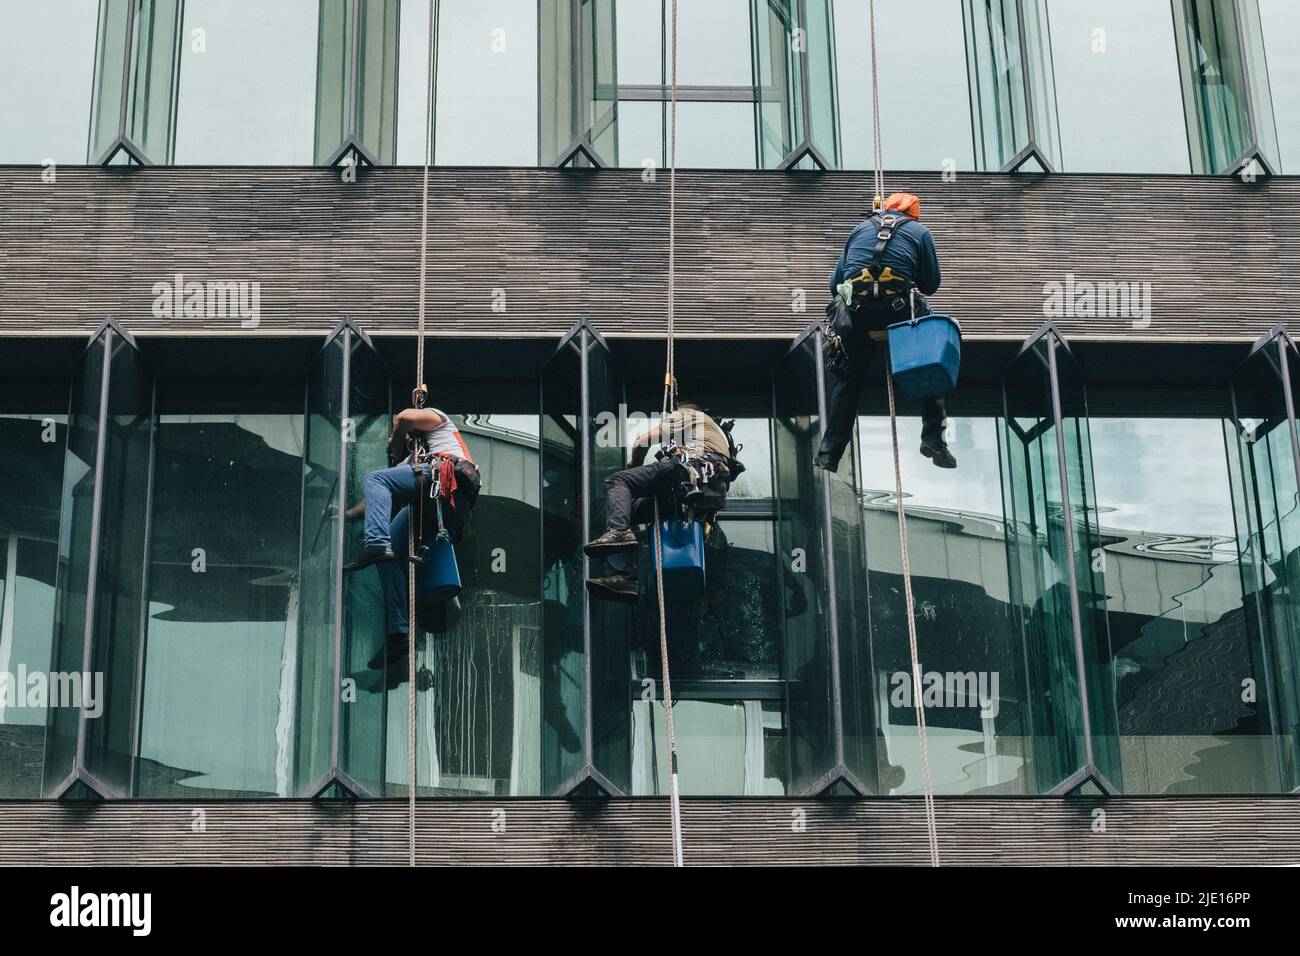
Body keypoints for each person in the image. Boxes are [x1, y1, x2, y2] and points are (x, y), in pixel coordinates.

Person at [343, 390, 481, 672]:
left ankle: (376, 543)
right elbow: (375, 499)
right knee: (388, 555)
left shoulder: (440, 421)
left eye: (403, 437)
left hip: (447, 478)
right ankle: (399, 633)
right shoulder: (413, 464)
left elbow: (404, 417)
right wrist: (345, 515)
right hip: (436, 500)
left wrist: (394, 444)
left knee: (375, 479)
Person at [819, 191, 957, 472]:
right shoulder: (920, 232)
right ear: (913, 214)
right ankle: (933, 439)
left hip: (857, 316)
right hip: (897, 313)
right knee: (931, 364)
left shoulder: (858, 230)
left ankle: (829, 454)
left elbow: (835, 284)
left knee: (849, 381)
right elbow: (931, 284)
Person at [584, 401, 733, 604]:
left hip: (686, 475)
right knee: (622, 511)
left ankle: (619, 534)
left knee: (617, 481)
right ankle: (626, 577)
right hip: (690, 492)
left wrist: (633, 467)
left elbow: (641, 442)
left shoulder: (689, 415)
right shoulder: (717, 436)